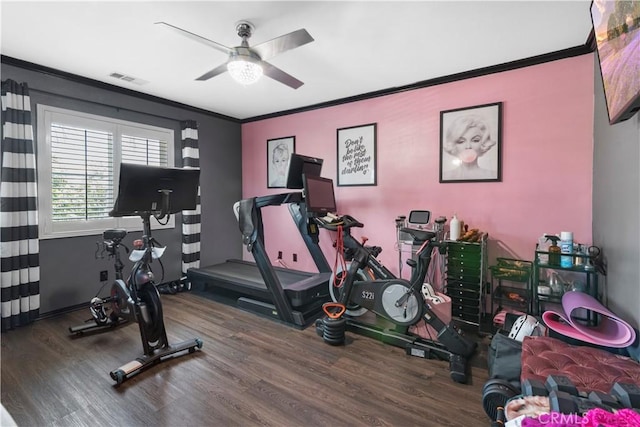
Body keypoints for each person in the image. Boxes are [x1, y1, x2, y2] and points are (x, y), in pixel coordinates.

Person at [442, 114, 497, 181]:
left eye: (475, 140)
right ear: (454, 145)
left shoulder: (492, 175)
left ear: (483, 143)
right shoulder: (446, 176)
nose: (468, 146)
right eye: (461, 141)